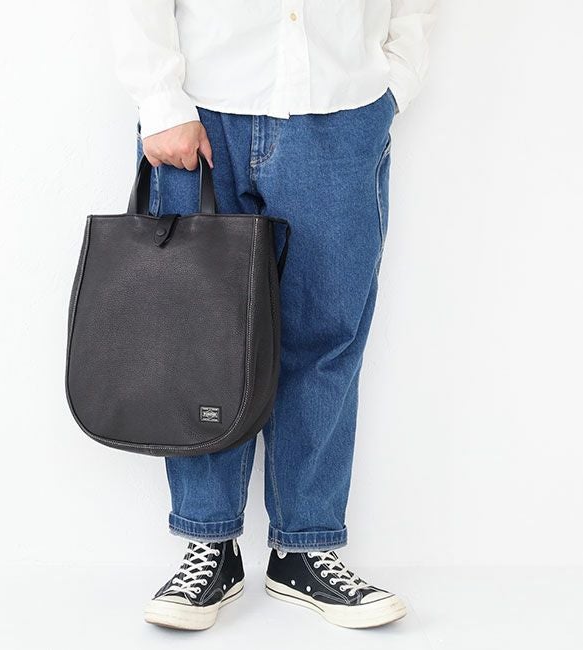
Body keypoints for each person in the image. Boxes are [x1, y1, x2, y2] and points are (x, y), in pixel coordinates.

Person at [108, 0, 436, 631]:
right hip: (203, 109)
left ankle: (304, 549)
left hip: (342, 105)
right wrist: (160, 99)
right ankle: (210, 544)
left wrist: (397, 80)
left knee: (326, 334)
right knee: (201, 341)